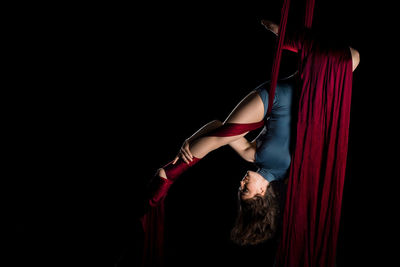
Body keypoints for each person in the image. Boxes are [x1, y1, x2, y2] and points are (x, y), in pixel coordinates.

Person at [150, 19, 360, 246]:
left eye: (239, 189)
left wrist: (191, 138)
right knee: (353, 57)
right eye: (245, 190)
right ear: (261, 192)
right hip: (305, 94)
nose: (240, 184)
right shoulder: (293, 175)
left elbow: (219, 127)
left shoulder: (251, 155)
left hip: (271, 99)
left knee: (223, 134)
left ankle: (169, 174)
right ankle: (295, 40)